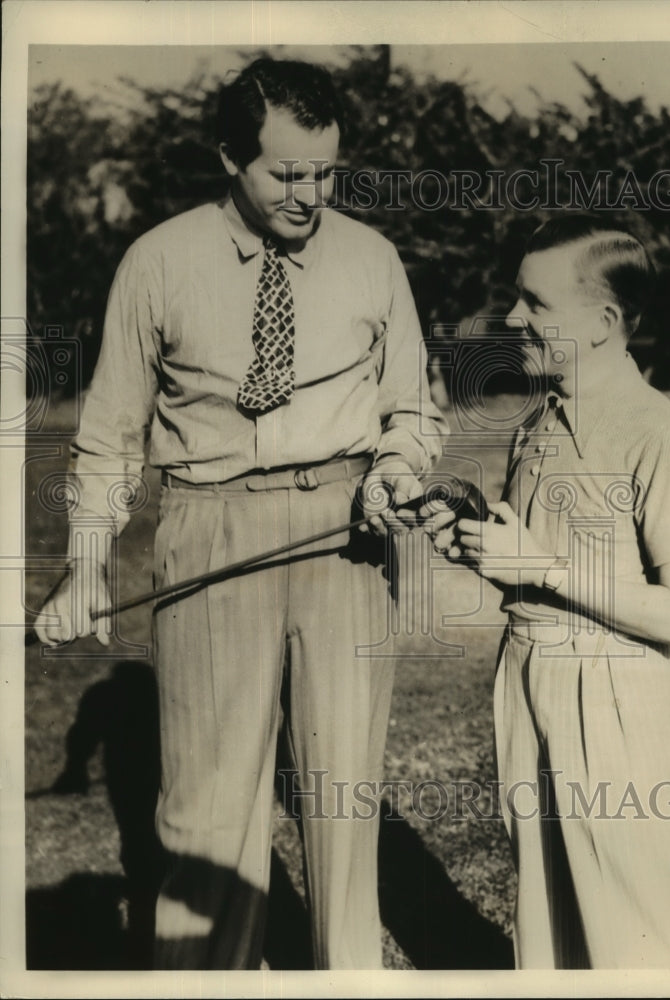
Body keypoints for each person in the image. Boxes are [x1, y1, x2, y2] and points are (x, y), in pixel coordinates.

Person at [34, 57, 448, 970]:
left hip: (347, 535)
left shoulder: (373, 259)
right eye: (285, 172)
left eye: (325, 172)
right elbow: (108, 434)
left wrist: (392, 470)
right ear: (229, 155)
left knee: (341, 790)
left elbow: (414, 410)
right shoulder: (157, 261)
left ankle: (346, 977)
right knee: (209, 803)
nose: (309, 194)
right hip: (209, 529)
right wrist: (89, 564)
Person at [424, 215, 670, 969]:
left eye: (535, 304)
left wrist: (544, 566)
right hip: (527, 676)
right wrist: (475, 542)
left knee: (634, 931)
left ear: (603, 322)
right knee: (546, 923)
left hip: (613, 694)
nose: (513, 318)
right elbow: (532, 568)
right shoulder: (537, 420)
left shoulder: (657, 432)